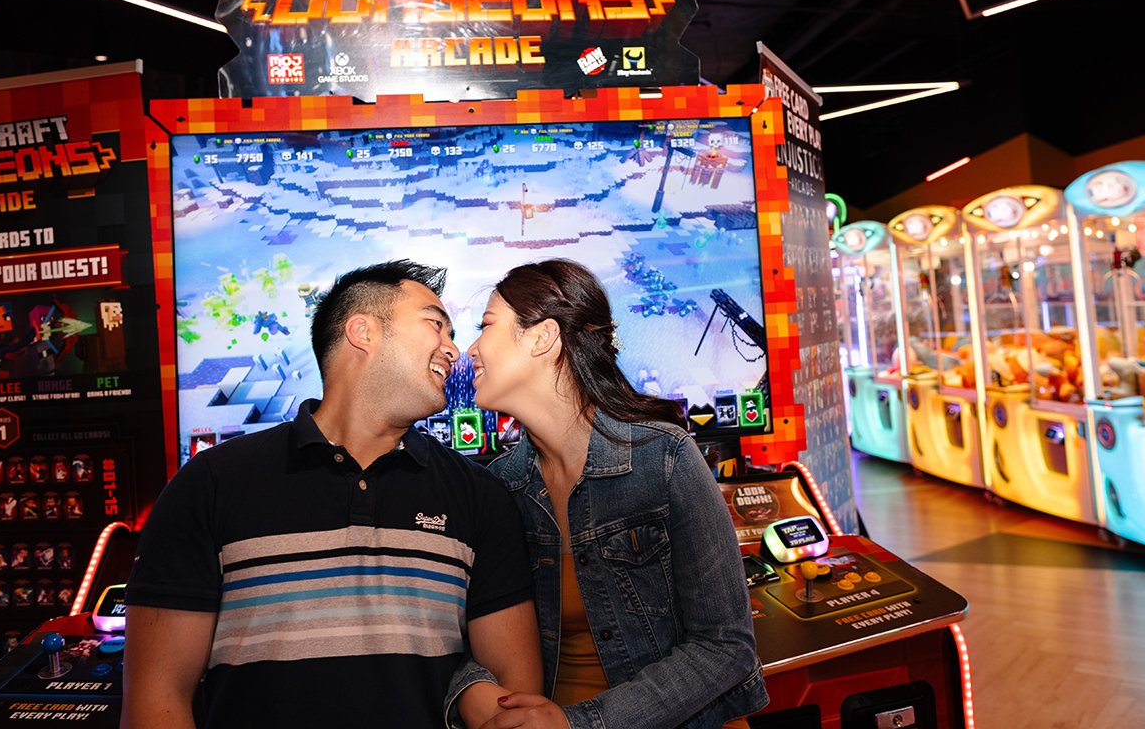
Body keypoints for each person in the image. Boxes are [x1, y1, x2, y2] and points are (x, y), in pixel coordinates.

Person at [123, 260, 541, 729]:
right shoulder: (210, 483)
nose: (454, 349)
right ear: (362, 332)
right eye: (435, 325)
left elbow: (516, 698)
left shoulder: (479, 494)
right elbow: (157, 697)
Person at [450, 259, 767, 729]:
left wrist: (579, 724)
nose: (471, 349)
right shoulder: (499, 487)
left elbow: (726, 647)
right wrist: (472, 689)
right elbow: (461, 639)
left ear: (543, 337)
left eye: (486, 326)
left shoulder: (665, 459)